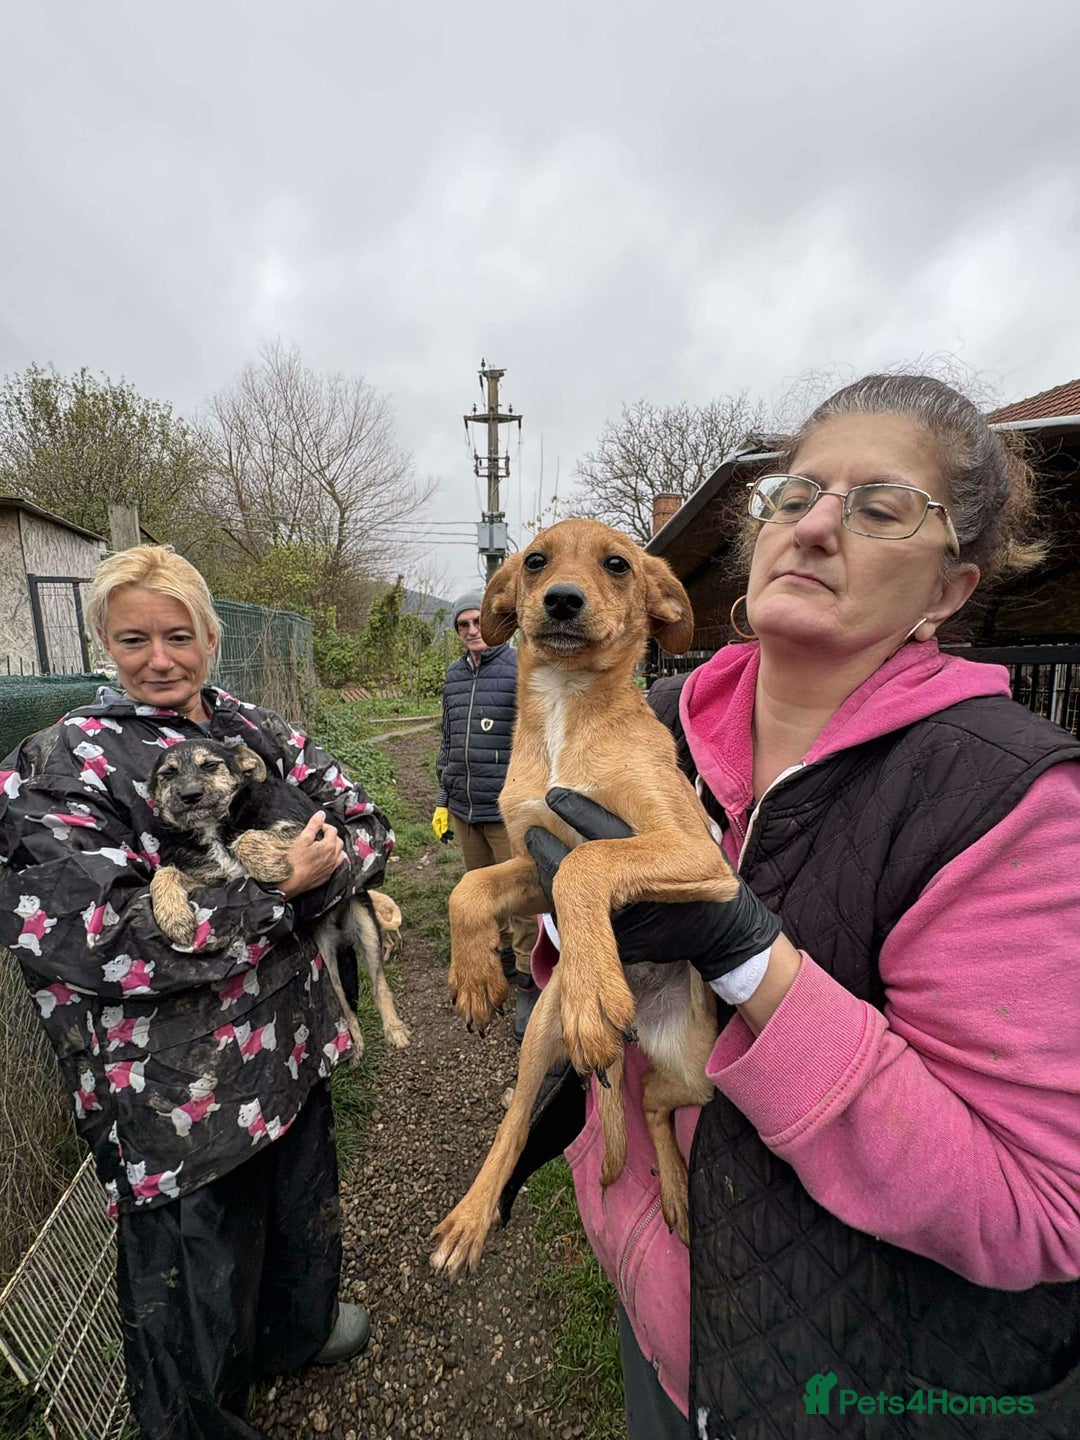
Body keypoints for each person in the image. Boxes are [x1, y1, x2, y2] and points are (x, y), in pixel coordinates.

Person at [522, 375, 1080, 1438]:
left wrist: (745, 953)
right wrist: (567, 934)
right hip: (661, 1299)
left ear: (948, 592)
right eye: (795, 496)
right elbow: (579, 967)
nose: (817, 528)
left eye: (879, 510)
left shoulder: (1004, 800)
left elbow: (1039, 1210)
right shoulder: (655, 725)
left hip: (845, 1383)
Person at [0, 545, 393, 1440]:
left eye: (179, 635)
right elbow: (82, 936)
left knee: (298, 1213)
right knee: (192, 1278)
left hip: (291, 1044)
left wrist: (317, 878)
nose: (160, 658)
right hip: (173, 1091)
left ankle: (296, 1332)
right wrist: (275, 895)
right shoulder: (66, 761)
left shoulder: (255, 730)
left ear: (211, 637)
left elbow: (366, 824)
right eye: (135, 638)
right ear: (104, 640)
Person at [433, 590, 538, 1039]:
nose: (472, 631)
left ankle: (531, 983)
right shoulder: (454, 677)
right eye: (463, 625)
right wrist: (442, 798)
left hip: (505, 809)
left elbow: (535, 741)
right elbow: (447, 742)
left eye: (478, 622)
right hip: (464, 807)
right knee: (479, 898)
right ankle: (493, 970)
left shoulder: (519, 670)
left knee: (522, 902)